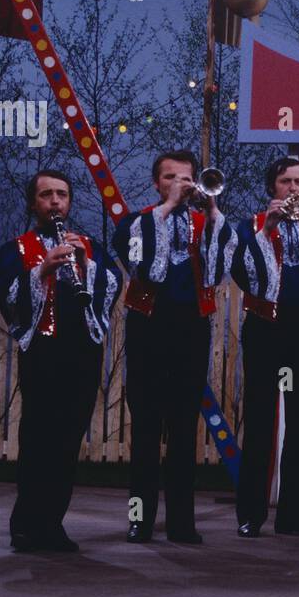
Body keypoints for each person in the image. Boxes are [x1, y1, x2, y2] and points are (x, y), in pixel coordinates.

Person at [0, 170, 122, 553]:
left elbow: (112, 287)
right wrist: (43, 269)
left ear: (69, 201)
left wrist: (87, 266)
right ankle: (25, 524)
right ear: (34, 203)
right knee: (37, 438)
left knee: (68, 441)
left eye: (62, 195)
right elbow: (8, 298)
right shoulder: (15, 248)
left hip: (82, 352)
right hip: (43, 353)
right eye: (46, 195)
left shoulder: (90, 246)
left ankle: (52, 523)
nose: (55, 202)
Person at [113, 150, 235, 545]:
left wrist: (213, 211)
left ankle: (183, 523)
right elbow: (138, 263)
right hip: (148, 329)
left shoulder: (205, 224)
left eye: (186, 178)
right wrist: (167, 208)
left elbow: (218, 272)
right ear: (157, 183)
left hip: (190, 330)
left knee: (184, 431)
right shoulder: (138, 222)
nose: (180, 184)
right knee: (145, 430)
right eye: (170, 178)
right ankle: (139, 520)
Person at [230, 154, 299, 539]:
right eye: (286, 183)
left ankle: (292, 512)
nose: (295, 190)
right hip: (264, 332)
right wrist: (267, 229)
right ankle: (251, 514)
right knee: (259, 422)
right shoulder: (251, 226)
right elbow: (242, 273)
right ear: (272, 188)